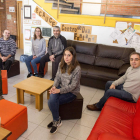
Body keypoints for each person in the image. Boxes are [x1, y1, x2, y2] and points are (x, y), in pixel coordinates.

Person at [47, 47, 81, 134]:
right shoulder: (61, 64)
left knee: (52, 101)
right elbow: (57, 77)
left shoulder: (77, 68)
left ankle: (56, 121)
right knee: (51, 99)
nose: (66, 57)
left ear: (73, 56)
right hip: (61, 87)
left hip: (71, 92)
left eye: (69, 55)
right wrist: (54, 86)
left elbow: (73, 86)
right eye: (65, 55)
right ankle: (57, 120)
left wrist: (59, 91)